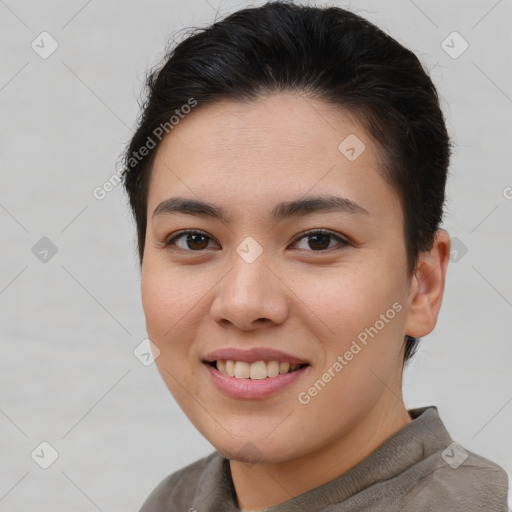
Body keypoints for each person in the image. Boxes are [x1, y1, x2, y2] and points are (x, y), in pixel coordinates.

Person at [121, 2, 509, 510]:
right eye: (195, 240)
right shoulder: (175, 501)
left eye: (318, 240)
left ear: (423, 283)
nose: (243, 303)